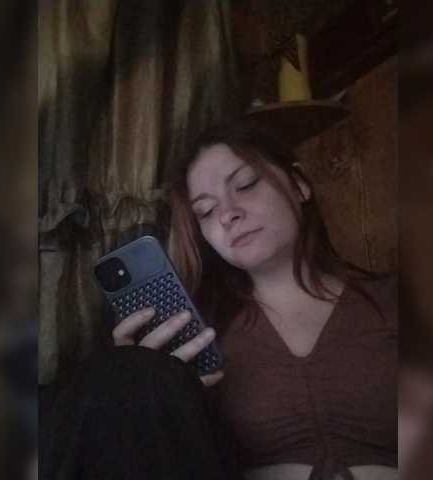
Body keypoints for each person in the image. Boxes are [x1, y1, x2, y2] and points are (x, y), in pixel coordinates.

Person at [40, 122, 397, 480]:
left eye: (246, 184)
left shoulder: (395, 299)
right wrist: (138, 386)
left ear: (299, 183)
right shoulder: (195, 331)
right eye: (206, 211)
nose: (227, 214)